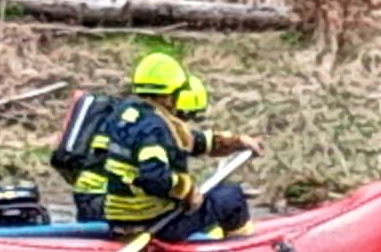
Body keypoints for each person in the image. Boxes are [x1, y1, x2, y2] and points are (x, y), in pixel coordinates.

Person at [98, 53, 262, 240]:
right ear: (169, 96)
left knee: (216, 195)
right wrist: (188, 192)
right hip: (155, 224)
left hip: (120, 221)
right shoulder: (154, 128)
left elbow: (188, 141)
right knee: (231, 196)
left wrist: (236, 142)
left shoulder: (128, 114)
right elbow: (155, 178)